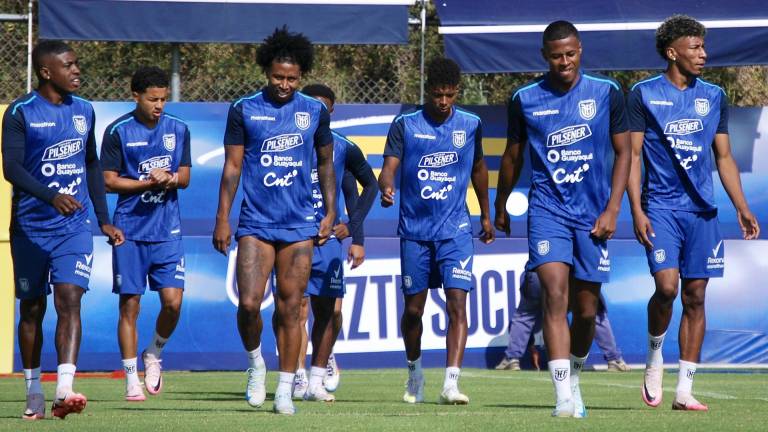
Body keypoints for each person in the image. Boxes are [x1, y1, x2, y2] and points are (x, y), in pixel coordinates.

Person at [494, 21, 631, 418]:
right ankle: (562, 398)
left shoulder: (606, 92)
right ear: (545, 56)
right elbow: (512, 155)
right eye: (556, 56)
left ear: (580, 50)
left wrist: (613, 208)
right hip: (546, 211)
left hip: (593, 215)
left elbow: (624, 153)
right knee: (554, 294)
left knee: (586, 310)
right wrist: (501, 204)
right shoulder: (525, 98)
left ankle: (574, 375)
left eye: (570, 54)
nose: (564, 62)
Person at [627, 15, 760, 412]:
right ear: (672, 52)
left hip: (702, 212)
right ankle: (654, 356)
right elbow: (632, 156)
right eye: (695, 47)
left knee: (697, 296)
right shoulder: (642, 94)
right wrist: (636, 209)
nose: (703, 54)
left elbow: (724, 156)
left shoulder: (714, 96)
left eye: (703, 47)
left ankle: (684, 391)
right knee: (667, 288)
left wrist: (742, 206)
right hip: (662, 208)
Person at [212, 27, 336, 415]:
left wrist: (331, 211)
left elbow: (327, 163)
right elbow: (232, 166)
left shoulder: (313, 111)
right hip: (256, 222)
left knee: (292, 307)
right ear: (267, 72)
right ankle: (255, 365)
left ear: (301, 77)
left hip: (299, 224)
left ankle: (284, 389)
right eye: (278, 76)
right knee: (249, 304)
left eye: (292, 78)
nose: (284, 84)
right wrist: (222, 218)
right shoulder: (244, 108)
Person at [1, 40, 124, 420]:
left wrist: (103, 218)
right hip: (30, 229)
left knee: (70, 297)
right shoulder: (22, 112)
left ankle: (65, 389)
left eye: (77, 64)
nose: (76, 71)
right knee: (32, 307)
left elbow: (91, 163)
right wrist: (50, 195)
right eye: (68, 65)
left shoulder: (84, 110)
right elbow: (12, 169)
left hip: (74, 226)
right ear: (45, 71)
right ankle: (34, 391)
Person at [378, 57, 494, 405]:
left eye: (450, 95)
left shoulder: (470, 124)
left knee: (457, 303)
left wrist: (486, 216)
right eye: (438, 95)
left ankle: (451, 384)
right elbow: (388, 168)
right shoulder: (406, 124)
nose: (444, 102)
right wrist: (387, 186)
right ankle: (415, 373)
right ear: (427, 92)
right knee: (413, 311)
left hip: (456, 230)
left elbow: (478, 169)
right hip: (415, 232)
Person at [100, 67, 191, 402]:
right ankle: (130, 378)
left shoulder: (179, 129)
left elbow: (185, 176)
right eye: (153, 99)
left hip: (168, 231)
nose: (159, 105)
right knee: (130, 305)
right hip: (130, 231)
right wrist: (145, 183)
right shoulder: (118, 131)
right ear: (135, 95)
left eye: (164, 99)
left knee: (173, 302)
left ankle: (153, 351)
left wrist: (168, 178)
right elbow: (108, 181)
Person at [289, 84, 377, 401]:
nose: (319, 111)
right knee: (295, 311)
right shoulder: (288, 142)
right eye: (313, 105)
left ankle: (321, 363)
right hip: (293, 238)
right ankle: (299, 377)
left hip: (328, 242)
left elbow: (363, 188)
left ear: (332, 110)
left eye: (325, 106)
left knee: (331, 312)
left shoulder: (342, 148)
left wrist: (353, 230)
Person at [496, 266, 630, 372]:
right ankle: (614, 360)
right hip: (569, 274)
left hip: (539, 273)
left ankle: (512, 358)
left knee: (526, 316)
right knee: (593, 314)